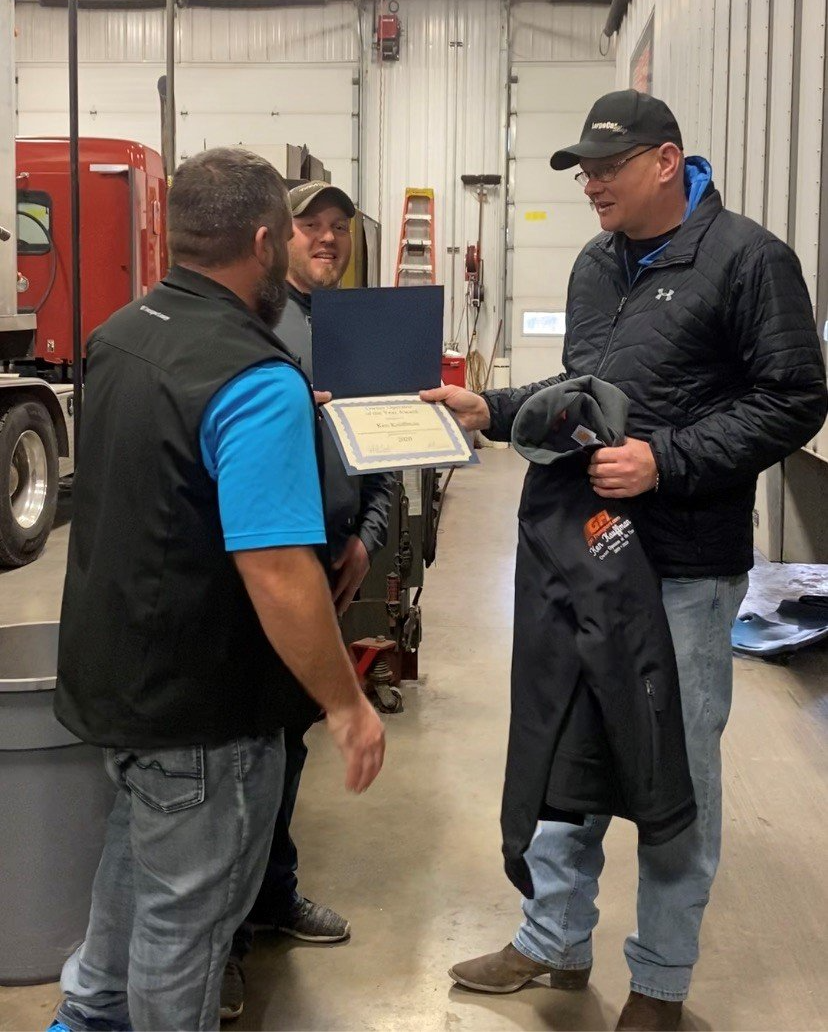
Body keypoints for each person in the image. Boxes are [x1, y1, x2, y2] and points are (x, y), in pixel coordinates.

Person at [423, 90, 827, 1031]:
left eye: (607, 166)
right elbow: (586, 391)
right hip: (583, 550)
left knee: (672, 772)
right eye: (582, 171)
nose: (592, 184)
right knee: (567, 742)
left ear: (666, 160)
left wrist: (667, 460)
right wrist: (494, 405)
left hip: (682, 566)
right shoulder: (596, 267)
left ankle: (661, 982)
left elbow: (796, 397)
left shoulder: (749, 259)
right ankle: (552, 941)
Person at [50, 149, 385, 1032]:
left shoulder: (120, 331)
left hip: (118, 686)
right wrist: (346, 705)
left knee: (130, 876)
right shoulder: (253, 376)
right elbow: (277, 570)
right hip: (207, 711)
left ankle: (85, 1018)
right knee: (182, 931)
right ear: (267, 241)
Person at [220, 181, 394, 1020]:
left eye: (338, 228)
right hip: (261, 566)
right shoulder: (251, 324)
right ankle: (218, 942)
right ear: (274, 236)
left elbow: (388, 449)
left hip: (329, 561)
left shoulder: (359, 329)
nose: (326, 239)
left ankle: (272, 896)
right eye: (309, 225)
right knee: (241, 758)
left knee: (285, 751)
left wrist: (369, 535)